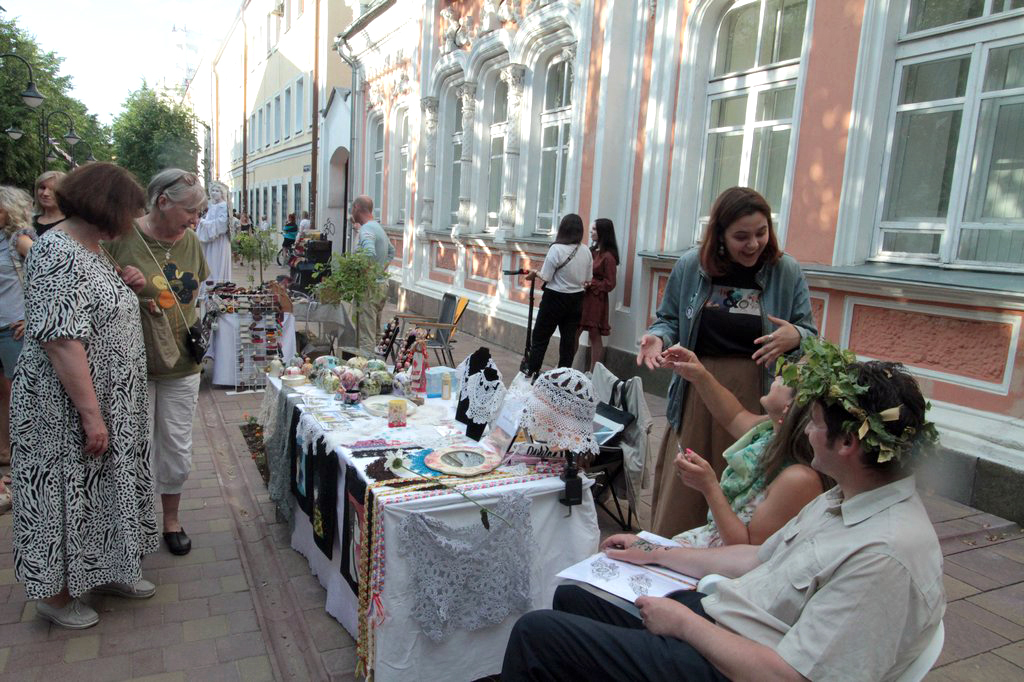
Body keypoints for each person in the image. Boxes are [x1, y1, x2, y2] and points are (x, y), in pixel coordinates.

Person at [501, 340, 944, 682]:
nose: (805, 431)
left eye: (815, 424)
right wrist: (653, 552)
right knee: (571, 597)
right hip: (724, 620)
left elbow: (788, 675)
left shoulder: (885, 557)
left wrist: (684, 625)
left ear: (848, 444)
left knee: (536, 634)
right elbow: (756, 556)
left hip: (727, 664)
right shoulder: (843, 500)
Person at [10, 163, 158, 629]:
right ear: (107, 208)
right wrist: (92, 417)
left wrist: (127, 283)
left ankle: (107, 568)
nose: (133, 221)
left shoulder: (91, 248)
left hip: (107, 399)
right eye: (130, 212)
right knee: (59, 495)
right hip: (63, 408)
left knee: (98, 491)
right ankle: (53, 597)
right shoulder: (55, 251)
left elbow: (95, 307)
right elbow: (61, 340)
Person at [638, 187, 816, 538]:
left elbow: (810, 334)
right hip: (698, 390)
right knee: (688, 484)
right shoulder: (692, 266)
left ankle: (732, 551)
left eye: (761, 233)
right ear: (719, 235)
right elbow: (669, 319)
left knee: (745, 477)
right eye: (741, 236)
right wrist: (658, 337)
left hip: (759, 389)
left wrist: (796, 335)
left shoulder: (786, 270)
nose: (753, 244)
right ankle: (675, 552)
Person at [105, 168, 209, 557]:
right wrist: (122, 286)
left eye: (199, 213)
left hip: (182, 363)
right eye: (190, 211)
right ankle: (131, 523)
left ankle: (170, 520)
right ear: (162, 202)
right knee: (133, 445)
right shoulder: (120, 237)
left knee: (176, 446)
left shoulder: (192, 243)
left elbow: (193, 295)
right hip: (132, 361)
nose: (195, 220)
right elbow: (96, 294)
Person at [633, 345, 829, 549]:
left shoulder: (799, 479)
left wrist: (709, 486)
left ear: (790, 408)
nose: (778, 374)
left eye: (786, 377)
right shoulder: (771, 432)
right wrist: (699, 374)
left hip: (720, 570)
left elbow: (746, 551)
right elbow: (735, 416)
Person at [524, 213, 593, 377]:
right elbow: (587, 280)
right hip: (576, 299)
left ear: (563, 229)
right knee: (568, 341)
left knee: (540, 337)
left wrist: (535, 273)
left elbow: (546, 277)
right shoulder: (586, 251)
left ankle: (532, 371)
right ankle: (564, 376)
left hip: (554, 298)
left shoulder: (556, 249)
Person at [0, 186, 35, 489]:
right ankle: (6, 453)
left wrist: (31, 316)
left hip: (12, 328)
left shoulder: (18, 239)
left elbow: (46, 275)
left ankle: (25, 457)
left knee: (18, 394)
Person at [351, 195, 394, 354]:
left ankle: (364, 373)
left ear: (357, 208)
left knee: (365, 336)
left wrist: (366, 276)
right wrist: (379, 271)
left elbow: (369, 252)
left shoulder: (367, 229)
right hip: (381, 285)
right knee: (375, 333)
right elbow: (391, 252)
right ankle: (376, 370)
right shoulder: (377, 227)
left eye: (352, 208)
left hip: (369, 288)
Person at [576, 218, 619, 372]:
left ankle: (594, 373)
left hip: (596, 300)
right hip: (585, 297)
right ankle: (567, 365)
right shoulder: (592, 251)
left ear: (603, 232)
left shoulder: (608, 257)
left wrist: (592, 283)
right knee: (576, 329)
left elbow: (610, 283)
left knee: (594, 334)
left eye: (594, 229)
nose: (591, 232)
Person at [196, 181, 232, 285]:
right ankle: (208, 286)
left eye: (217, 191)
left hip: (219, 240)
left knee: (217, 263)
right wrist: (204, 223)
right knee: (209, 262)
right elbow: (209, 221)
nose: (214, 193)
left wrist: (203, 223)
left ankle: (218, 285)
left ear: (222, 193)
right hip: (210, 239)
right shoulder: (212, 206)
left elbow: (222, 224)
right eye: (212, 190)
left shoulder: (224, 206)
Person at [32, 170, 67, 236]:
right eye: (42, 188)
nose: (45, 193)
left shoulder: (72, 225)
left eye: (52, 189)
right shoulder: (29, 222)